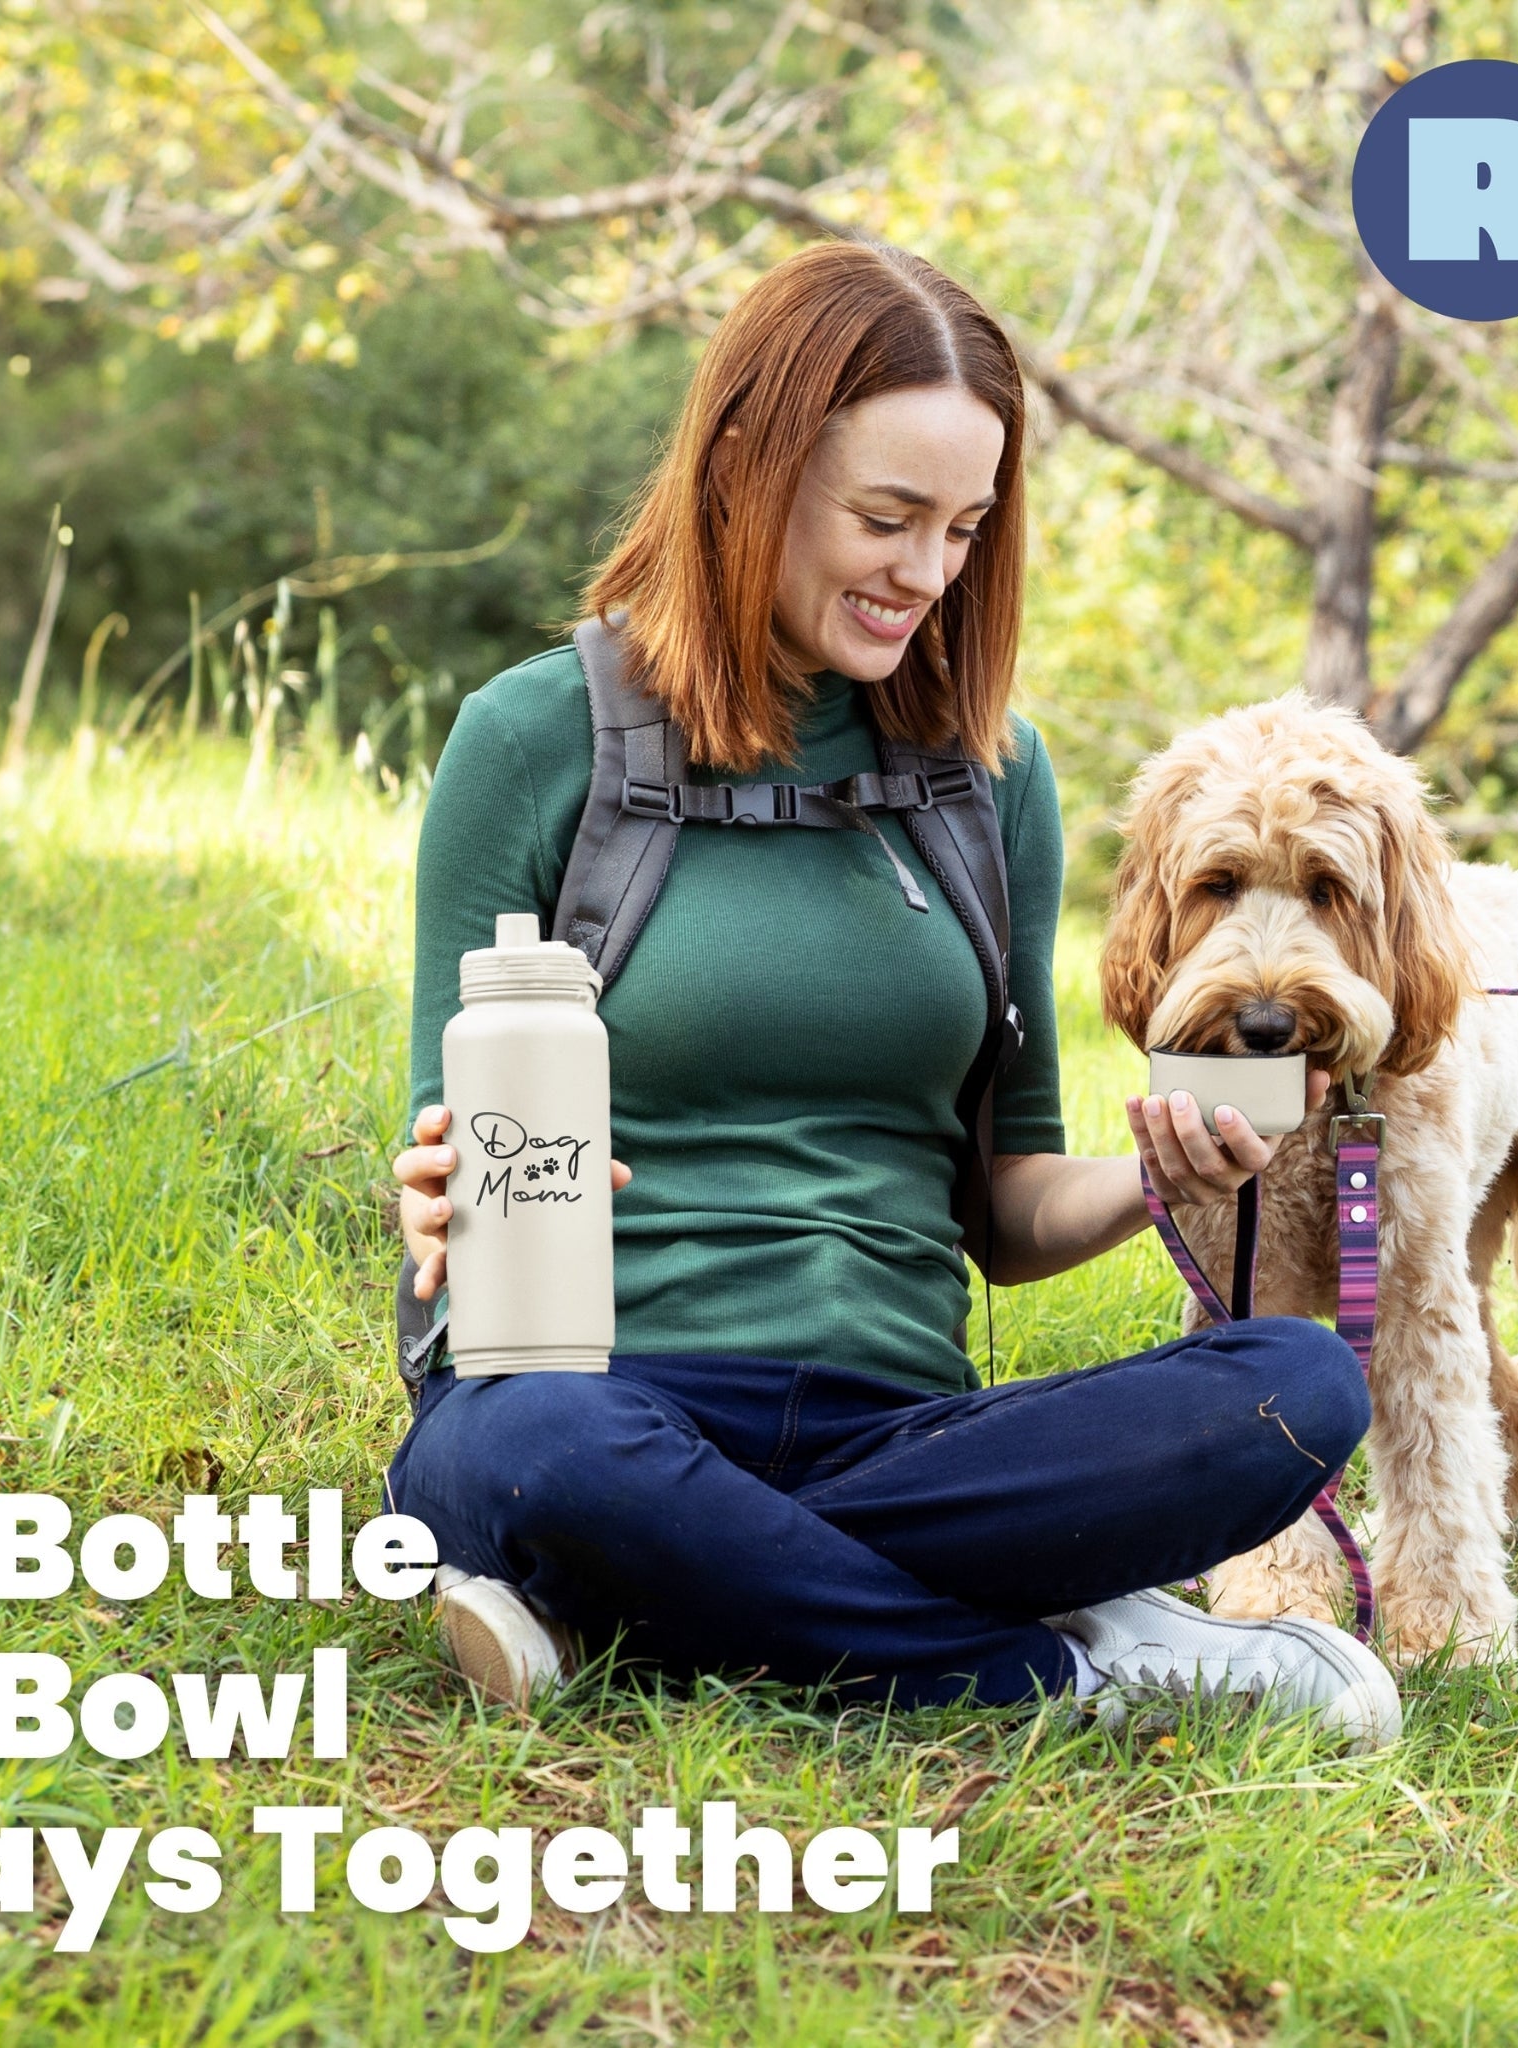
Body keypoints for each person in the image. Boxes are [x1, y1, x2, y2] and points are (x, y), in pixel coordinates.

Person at [386, 242, 1399, 1750]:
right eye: (887, 518)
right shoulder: (535, 741)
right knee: (538, 1449)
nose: (928, 574)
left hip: (902, 1426)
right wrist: (434, 1197)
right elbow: (438, 1152)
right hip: (593, 1390)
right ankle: (1065, 1670)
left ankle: (635, 1603)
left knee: (1294, 1385)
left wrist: (1154, 1178)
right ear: (749, 468)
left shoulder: (997, 781)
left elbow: (1007, 1210)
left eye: (966, 530)